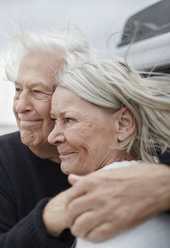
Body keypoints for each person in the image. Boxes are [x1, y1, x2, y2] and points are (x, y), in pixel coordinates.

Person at [0, 31, 170, 248]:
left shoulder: (157, 154)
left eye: (37, 91)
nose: (20, 106)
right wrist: (50, 217)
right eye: (18, 90)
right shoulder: (0, 158)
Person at [47, 58, 170, 247]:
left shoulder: (112, 210)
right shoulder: (151, 194)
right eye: (55, 120)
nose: (52, 137)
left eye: (69, 119)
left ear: (123, 124)